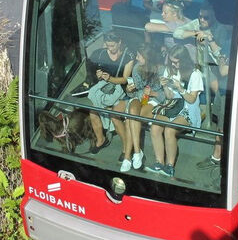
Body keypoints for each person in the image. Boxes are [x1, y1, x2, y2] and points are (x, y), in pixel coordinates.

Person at [146, 45, 204, 179]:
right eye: (171, 61)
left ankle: (169, 166)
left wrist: (181, 89)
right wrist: (165, 85)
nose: (173, 64)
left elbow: (191, 100)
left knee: (169, 130)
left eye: (176, 62)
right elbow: (169, 97)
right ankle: (159, 162)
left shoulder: (195, 74)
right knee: (155, 127)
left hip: (188, 110)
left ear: (184, 60)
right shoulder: (169, 70)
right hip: (173, 106)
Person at [112, 43, 163, 172]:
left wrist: (151, 93)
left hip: (153, 100)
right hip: (139, 97)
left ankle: (128, 157)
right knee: (132, 112)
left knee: (130, 120)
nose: (136, 58)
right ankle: (136, 152)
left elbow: (165, 96)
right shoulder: (136, 68)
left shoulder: (160, 70)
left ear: (147, 58)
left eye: (139, 56)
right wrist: (130, 90)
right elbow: (134, 93)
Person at [83, 32, 133, 152]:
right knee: (93, 112)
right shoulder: (101, 53)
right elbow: (94, 69)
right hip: (106, 88)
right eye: (108, 46)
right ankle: (101, 139)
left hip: (123, 90)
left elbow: (125, 79)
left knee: (114, 115)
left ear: (119, 42)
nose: (110, 49)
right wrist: (98, 75)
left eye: (113, 46)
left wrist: (109, 78)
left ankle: (126, 148)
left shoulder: (128, 56)